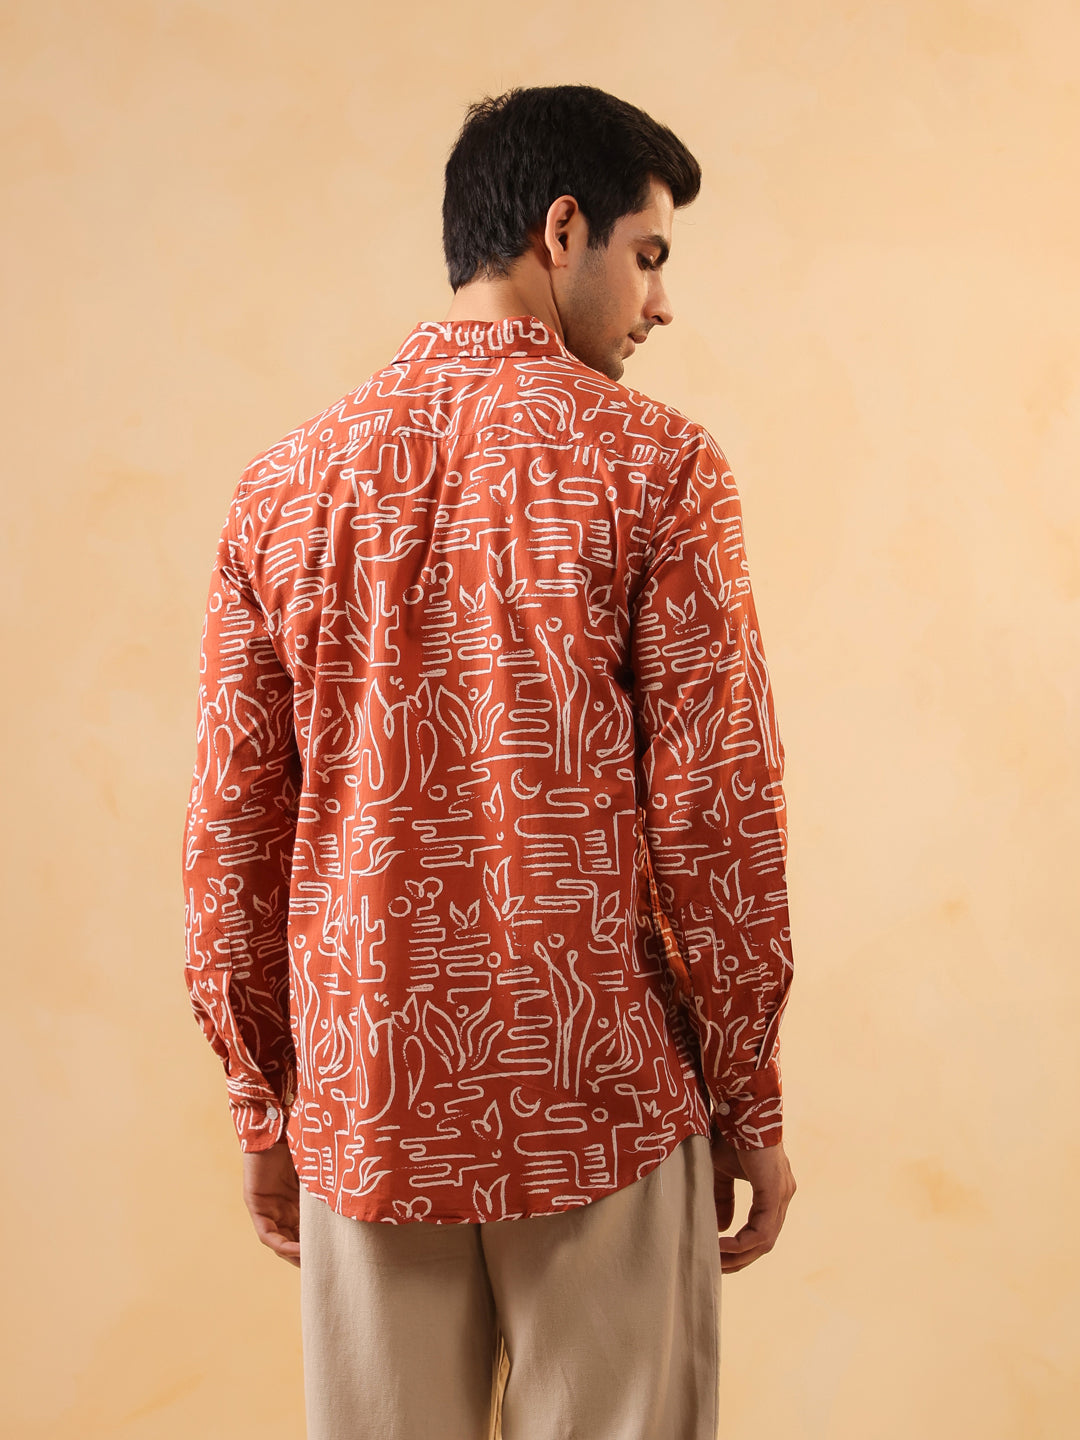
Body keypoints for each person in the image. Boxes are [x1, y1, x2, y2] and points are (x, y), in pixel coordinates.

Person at [182, 83, 796, 1440]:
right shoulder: (661, 469)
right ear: (560, 230)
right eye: (648, 255)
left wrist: (263, 1100)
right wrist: (748, 1096)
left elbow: (233, 827)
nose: (661, 303)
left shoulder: (284, 486)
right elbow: (719, 817)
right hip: (601, 1092)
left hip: (368, 1095)